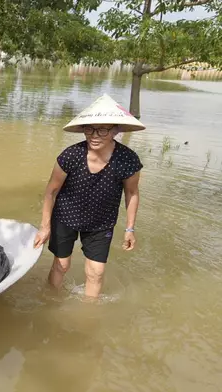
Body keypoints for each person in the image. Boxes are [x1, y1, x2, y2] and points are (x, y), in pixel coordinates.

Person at [33, 93, 145, 298]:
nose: (94, 135)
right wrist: (45, 226)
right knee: (61, 265)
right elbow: (51, 191)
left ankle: (88, 317)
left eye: (102, 130)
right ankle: (48, 300)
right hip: (65, 217)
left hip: (101, 223)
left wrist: (130, 228)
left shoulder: (127, 160)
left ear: (115, 131)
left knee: (96, 272)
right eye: (89, 128)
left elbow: (132, 193)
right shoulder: (71, 155)